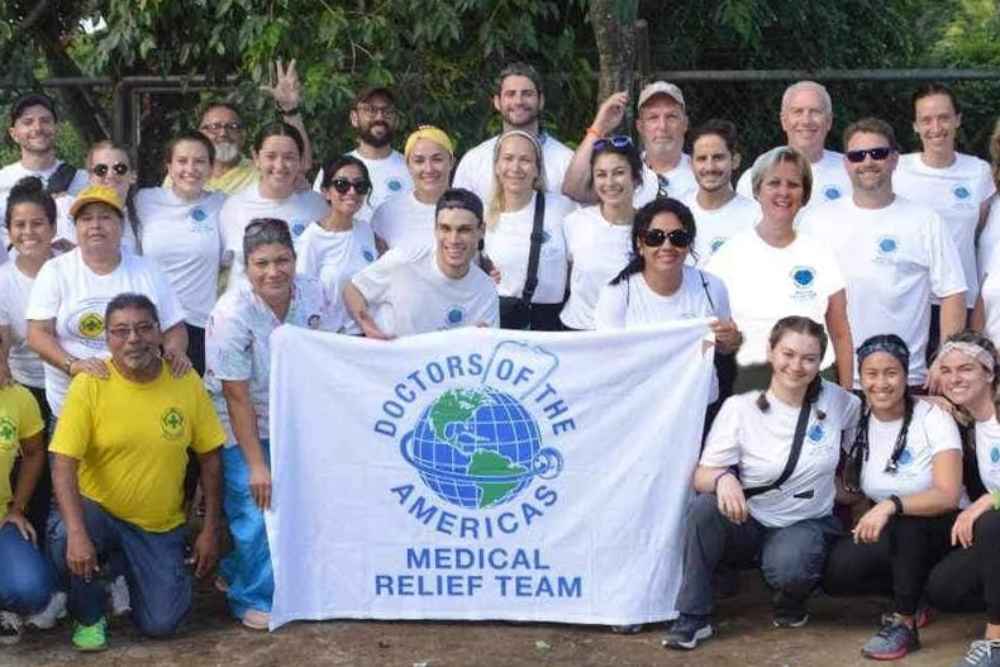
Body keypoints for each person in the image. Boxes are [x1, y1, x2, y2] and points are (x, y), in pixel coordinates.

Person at [663, 316, 860, 650]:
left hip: (804, 521)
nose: (796, 366)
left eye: (809, 358)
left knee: (791, 566)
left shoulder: (839, 401)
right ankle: (693, 616)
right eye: (788, 354)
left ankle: (791, 599)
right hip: (749, 518)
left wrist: (933, 402)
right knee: (704, 508)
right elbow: (701, 475)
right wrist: (723, 478)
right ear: (770, 351)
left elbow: (878, 418)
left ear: (820, 363)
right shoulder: (740, 408)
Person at [48, 293, 224, 650]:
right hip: (100, 513)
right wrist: (78, 534)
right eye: (121, 331)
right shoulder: (90, 383)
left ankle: (122, 571)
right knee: (67, 537)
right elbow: (64, 463)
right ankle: (89, 614)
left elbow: (210, 457)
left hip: (157, 525)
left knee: (162, 624)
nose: (133, 339)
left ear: (159, 332)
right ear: (107, 338)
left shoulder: (184, 380)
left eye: (144, 328)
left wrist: (210, 529)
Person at [205, 218, 336, 629]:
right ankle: (252, 597)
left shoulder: (315, 292)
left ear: (295, 259)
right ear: (247, 268)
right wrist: (257, 464)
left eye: (282, 260)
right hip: (240, 418)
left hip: (296, 414)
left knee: (305, 500)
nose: (273, 272)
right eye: (261, 263)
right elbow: (236, 395)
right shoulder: (232, 313)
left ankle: (235, 568)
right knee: (257, 500)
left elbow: (331, 351)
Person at [800, 118, 967, 389]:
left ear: (894, 160)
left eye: (877, 153)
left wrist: (946, 358)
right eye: (857, 156)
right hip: (833, 379)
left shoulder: (925, 221)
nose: (867, 162)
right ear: (846, 163)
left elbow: (953, 292)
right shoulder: (815, 222)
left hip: (905, 380)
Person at [823, 334, 962, 660]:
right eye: (871, 374)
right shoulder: (858, 422)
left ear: (905, 375)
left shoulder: (933, 417)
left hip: (945, 527)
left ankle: (905, 623)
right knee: (838, 574)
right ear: (861, 378)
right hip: (895, 528)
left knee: (905, 524)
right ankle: (915, 594)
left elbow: (948, 495)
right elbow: (856, 492)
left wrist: (891, 505)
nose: (881, 383)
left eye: (891, 373)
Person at [25, 184, 190, 420]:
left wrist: (174, 352)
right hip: (72, 406)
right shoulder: (55, 271)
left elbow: (174, 327)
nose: (95, 225)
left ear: (121, 225)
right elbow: (37, 334)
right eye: (86, 219)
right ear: (75, 227)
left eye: (105, 217)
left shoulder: (148, 270)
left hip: (138, 402)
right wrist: (73, 365)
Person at [706, 146, 853, 391]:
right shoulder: (727, 256)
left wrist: (846, 396)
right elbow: (710, 335)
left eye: (793, 184)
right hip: (752, 384)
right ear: (757, 190)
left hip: (816, 383)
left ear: (804, 195)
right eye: (774, 183)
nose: (783, 192)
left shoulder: (821, 253)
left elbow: (840, 332)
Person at [595, 197, 741, 409]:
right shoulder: (616, 294)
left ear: (689, 244)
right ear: (640, 244)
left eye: (678, 238)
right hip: (642, 408)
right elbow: (607, 362)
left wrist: (731, 339)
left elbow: (725, 349)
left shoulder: (712, 287)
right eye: (655, 237)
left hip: (700, 405)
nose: (667, 246)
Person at [893, 84, 994, 340]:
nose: (936, 127)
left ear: (958, 119)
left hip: (961, 300)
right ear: (915, 126)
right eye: (926, 120)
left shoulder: (979, 172)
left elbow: (981, 233)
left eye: (944, 117)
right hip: (909, 302)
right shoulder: (896, 170)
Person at [923, 332, 1000, 667]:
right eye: (947, 370)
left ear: (989, 372)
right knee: (944, 589)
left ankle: (996, 641)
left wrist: (988, 501)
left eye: (966, 369)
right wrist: (927, 402)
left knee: (991, 521)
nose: (955, 378)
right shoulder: (965, 423)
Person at [345, 188, 499, 337]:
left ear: (481, 231)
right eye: (445, 228)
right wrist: (370, 328)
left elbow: (483, 347)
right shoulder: (405, 259)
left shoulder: (486, 290)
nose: (453, 240)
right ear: (435, 229)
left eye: (464, 230)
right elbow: (353, 289)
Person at [136, 131, 225, 374]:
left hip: (198, 324)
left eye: (200, 161)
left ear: (211, 168)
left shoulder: (223, 205)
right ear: (169, 166)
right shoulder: (144, 200)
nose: (191, 169)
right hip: (148, 323)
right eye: (182, 161)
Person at [0, 177, 59, 544]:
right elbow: (2, 342)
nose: (28, 232)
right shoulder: (3, 280)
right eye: (19, 224)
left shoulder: (69, 267)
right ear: (8, 231)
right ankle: (28, 546)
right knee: (31, 475)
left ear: (53, 227)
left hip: (71, 386)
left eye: (37, 223)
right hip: (25, 387)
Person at [218, 122, 328, 292]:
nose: (280, 166)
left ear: (300, 160)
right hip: (247, 306)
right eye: (271, 156)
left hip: (303, 305)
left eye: (289, 157)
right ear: (256, 158)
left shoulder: (317, 206)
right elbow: (220, 263)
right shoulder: (234, 207)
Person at [484, 130, 577, 330]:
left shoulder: (562, 209)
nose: (515, 167)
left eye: (525, 160)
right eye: (508, 158)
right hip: (501, 322)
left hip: (550, 323)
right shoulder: (483, 215)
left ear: (537, 169)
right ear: (497, 166)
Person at [179, 60, 312, 195]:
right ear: (199, 135)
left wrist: (290, 109)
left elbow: (301, 165)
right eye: (214, 126)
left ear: (243, 136)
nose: (223, 133)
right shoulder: (182, 173)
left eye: (232, 126)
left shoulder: (260, 172)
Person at [453, 62, 574, 203]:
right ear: (497, 102)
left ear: (541, 101)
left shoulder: (567, 161)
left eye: (527, 94)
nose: (518, 101)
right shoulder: (473, 161)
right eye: (510, 94)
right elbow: (456, 212)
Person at [563, 81, 696, 206]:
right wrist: (599, 126)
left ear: (685, 124)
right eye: (653, 118)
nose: (662, 126)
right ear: (640, 126)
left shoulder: (701, 172)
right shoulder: (624, 169)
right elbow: (573, 190)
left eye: (671, 117)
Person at [559, 136, 643, 331]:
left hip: (628, 335)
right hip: (577, 331)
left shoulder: (650, 229)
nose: (610, 182)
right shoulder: (574, 222)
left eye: (619, 173)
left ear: (636, 178)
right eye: (601, 174)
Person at [736, 81, 851, 213]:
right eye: (798, 112)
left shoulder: (852, 171)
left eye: (815, 112)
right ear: (784, 121)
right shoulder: (754, 177)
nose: (806, 121)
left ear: (829, 121)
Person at [297, 155, 378, 334]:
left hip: (368, 336)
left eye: (359, 186)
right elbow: (302, 301)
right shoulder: (311, 239)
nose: (352, 192)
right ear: (326, 191)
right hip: (330, 340)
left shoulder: (365, 231)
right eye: (342, 184)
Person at [0, 380, 54, 645]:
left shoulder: (19, 397)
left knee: (31, 590)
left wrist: (18, 507)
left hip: (1, 518)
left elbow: (33, 452)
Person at [312, 86, 412, 220]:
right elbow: (318, 219)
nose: (380, 117)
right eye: (370, 110)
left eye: (387, 111)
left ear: (396, 119)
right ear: (354, 118)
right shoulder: (334, 168)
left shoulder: (414, 169)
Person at [0, 93, 88, 241]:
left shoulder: (84, 181)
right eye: (28, 122)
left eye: (45, 121)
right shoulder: (2, 181)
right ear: (13, 134)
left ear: (56, 128)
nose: (38, 128)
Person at [680, 119, 760, 266]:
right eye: (702, 159)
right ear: (691, 164)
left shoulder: (756, 216)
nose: (710, 167)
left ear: (735, 161)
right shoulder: (676, 211)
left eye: (718, 158)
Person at [370, 126, 454, 251]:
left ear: (451, 162)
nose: (429, 169)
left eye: (437, 159)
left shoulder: (472, 208)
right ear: (408, 166)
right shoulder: (386, 213)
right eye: (419, 161)